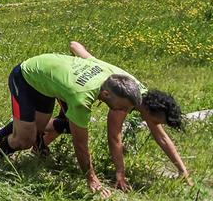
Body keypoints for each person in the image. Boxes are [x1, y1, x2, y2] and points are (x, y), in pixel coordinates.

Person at [38, 41, 190, 190]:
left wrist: (182, 171)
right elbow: (114, 138)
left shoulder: (143, 99)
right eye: (159, 121)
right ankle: (34, 135)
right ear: (152, 112)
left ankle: (39, 146)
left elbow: (162, 138)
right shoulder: (124, 104)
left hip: (78, 82)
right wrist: (120, 173)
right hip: (72, 85)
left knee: (68, 124)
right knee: (70, 125)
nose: (158, 125)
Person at [0, 52, 142, 195]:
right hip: (25, 77)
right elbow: (80, 145)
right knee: (25, 141)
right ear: (106, 94)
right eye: (123, 107)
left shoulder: (110, 76)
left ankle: (11, 131)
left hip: (45, 78)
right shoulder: (82, 98)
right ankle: (0, 149)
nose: (125, 111)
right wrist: (91, 179)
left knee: (37, 129)